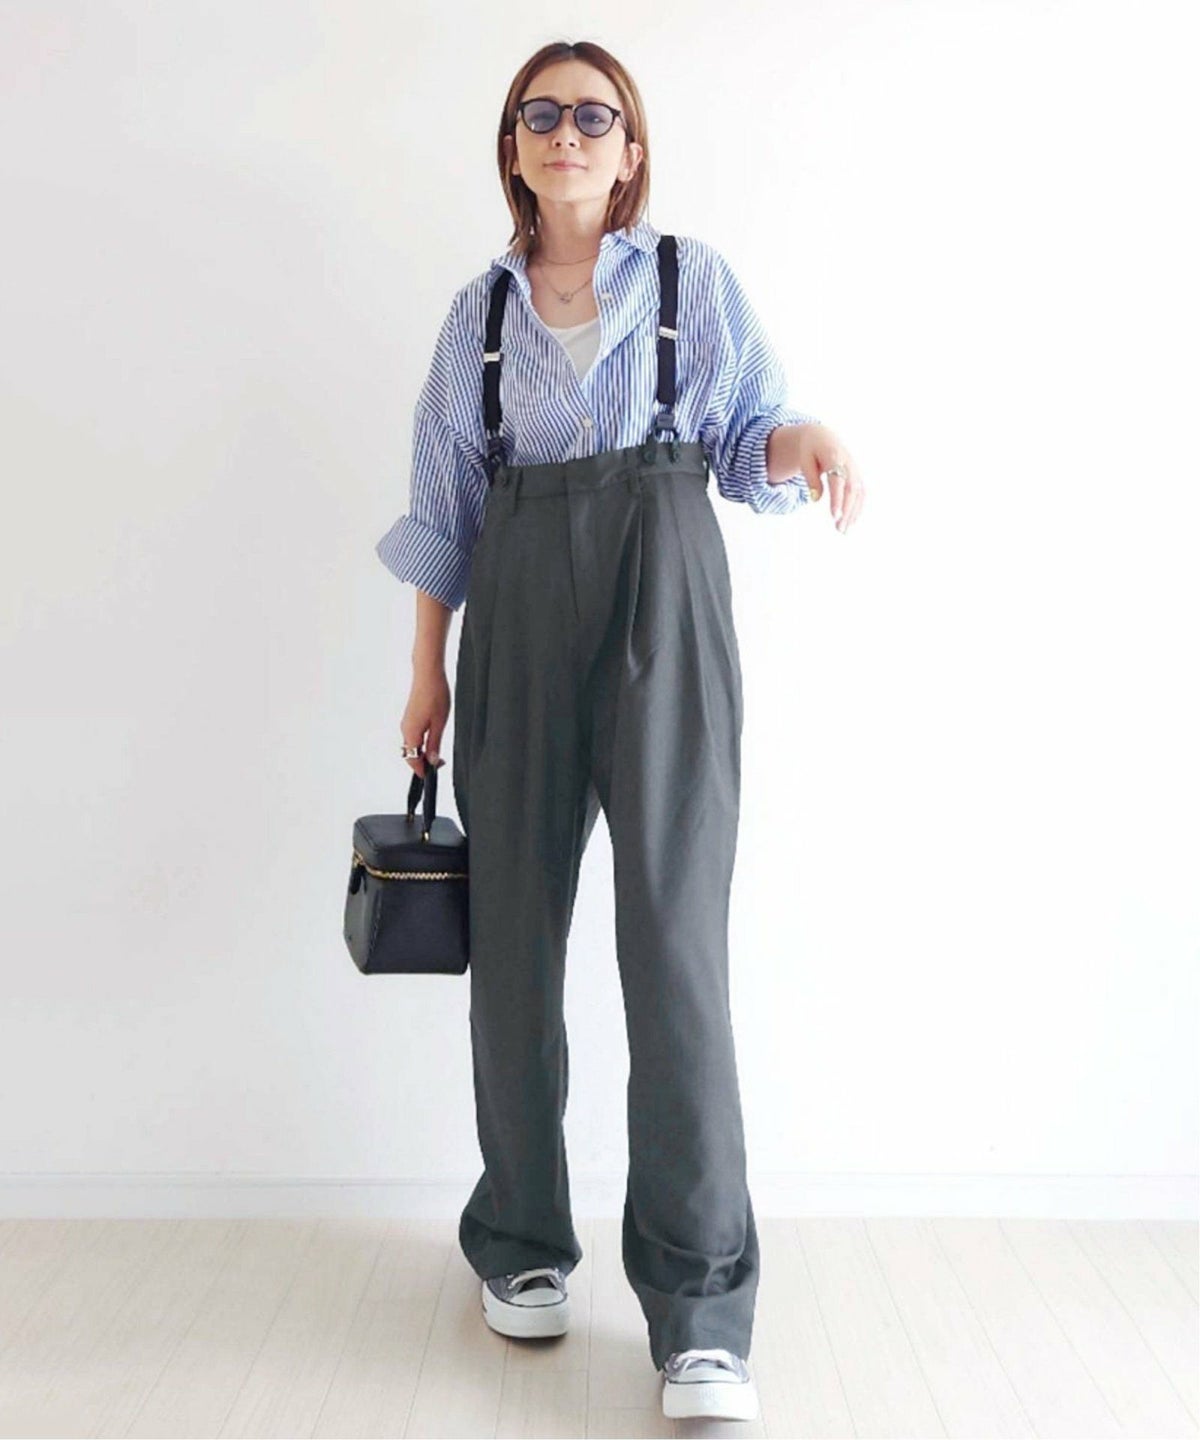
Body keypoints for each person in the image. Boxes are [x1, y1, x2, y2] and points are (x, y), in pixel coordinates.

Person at [374, 39, 864, 1424]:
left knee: (674, 949)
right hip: (520, 606)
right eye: (543, 113)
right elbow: (445, 504)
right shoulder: (477, 315)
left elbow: (750, 433)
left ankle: (701, 1314)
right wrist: (427, 675)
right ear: (513, 145)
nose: (569, 132)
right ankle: (522, 1245)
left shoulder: (691, 284)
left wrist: (811, 440)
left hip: (667, 583)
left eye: (595, 115)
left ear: (631, 149)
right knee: (514, 947)